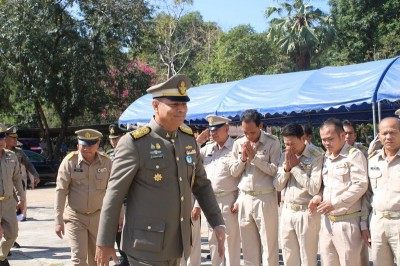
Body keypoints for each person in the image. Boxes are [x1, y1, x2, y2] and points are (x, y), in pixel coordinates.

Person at [95, 74, 225, 266]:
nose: (181, 110)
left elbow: (201, 184)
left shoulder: (187, 139)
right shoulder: (134, 143)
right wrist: (105, 242)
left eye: (184, 105)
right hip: (145, 246)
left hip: (178, 242)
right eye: (174, 105)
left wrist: (217, 222)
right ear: (155, 106)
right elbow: (114, 194)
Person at [309, 118, 368, 265]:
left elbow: (360, 185)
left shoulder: (354, 155)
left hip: (347, 221)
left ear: (342, 136)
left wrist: (335, 203)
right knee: (328, 261)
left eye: (330, 139)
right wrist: (318, 197)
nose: (326, 143)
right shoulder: (326, 157)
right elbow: (326, 186)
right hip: (328, 221)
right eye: (323, 139)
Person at [229, 109, 281, 265]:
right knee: (248, 246)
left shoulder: (272, 142)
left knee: (269, 245)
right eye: (245, 132)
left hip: (265, 198)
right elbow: (233, 172)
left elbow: (275, 171)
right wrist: (243, 160)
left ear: (261, 126)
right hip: (245, 198)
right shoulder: (238, 143)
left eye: (252, 132)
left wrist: (255, 159)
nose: (249, 136)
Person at [54, 129, 112, 266]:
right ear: (78, 145)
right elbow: (61, 191)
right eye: (83, 145)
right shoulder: (69, 162)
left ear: (98, 144)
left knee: (99, 259)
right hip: (75, 217)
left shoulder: (106, 162)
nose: (86, 149)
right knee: (79, 259)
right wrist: (58, 219)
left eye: (90, 145)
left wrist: (120, 214)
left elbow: (113, 191)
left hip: (98, 217)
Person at [273, 123, 323, 266]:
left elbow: (314, 188)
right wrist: (287, 169)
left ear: (303, 139)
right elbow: (277, 185)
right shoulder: (285, 155)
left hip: (306, 212)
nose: (289, 148)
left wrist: (295, 168)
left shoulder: (316, 156)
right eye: (286, 144)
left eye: (293, 144)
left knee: (307, 257)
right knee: (289, 256)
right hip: (287, 211)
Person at [195, 115, 241, 265]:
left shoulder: (236, 147)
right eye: (211, 130)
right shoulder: (208, 148)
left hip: (229, 200)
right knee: (213, 242)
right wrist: (197, 142)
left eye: (216, 130)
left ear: (227, 129)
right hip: (210, 201)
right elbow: (189, 158)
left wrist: (239, 200)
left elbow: (243, 176)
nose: (212, 133)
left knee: (230, 242)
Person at [361, 117, 400, 265]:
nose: (388, 137)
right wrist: (364, 225)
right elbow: (367, 194)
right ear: (379, 136)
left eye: (393, 132)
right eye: (384, 133)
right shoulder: (372, 160)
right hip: (377, 223)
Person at [0, 123, 26, 266]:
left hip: (9, 202)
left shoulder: (11, 157)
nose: (1, 142)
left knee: (12, 234)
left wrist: (21, 199)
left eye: (2, 138)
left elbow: (17, 179)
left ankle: (1, 257)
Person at [5, 126, 40, 222]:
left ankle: (20, 217)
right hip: (3, 183)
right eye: (13, 137)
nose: (16, 140)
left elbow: (29, 164)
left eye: (16, 137)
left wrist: (35, 175)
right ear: (6, 138)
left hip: (17, 182)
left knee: (20, 200)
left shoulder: (19, 152)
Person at [107, 124, 129, 266]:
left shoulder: (130, 152)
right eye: (112, 139)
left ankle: (127, 258)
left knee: (125, 229)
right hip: (113, 198)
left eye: (117, 138)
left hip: (128, 199)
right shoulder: (108, 155)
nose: (114, 141)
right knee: (115, 229)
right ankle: (122, 256)